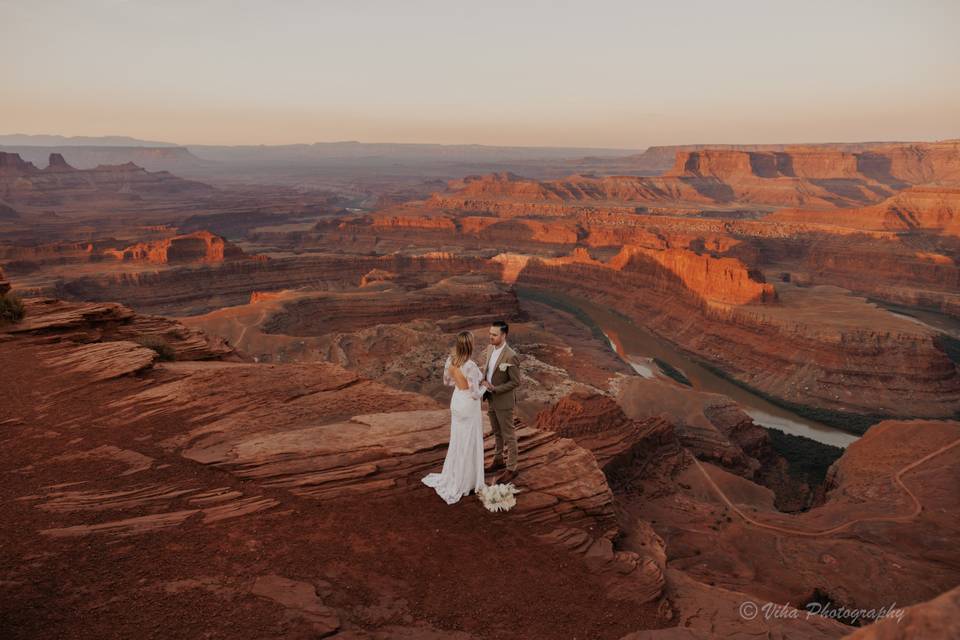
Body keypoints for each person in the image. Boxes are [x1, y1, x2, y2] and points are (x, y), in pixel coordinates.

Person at [421, 331, 486, 504]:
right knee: (469, 441)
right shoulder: (470, 365)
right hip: (468, 405)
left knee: (458, 440)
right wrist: (485, 387)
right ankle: (467, 481)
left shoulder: (450, 361)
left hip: (456, 402)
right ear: (470, 346)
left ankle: (455, 475)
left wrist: (459, 384)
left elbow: (446, 382)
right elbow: (475, 394)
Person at [481, 320, 521, 484]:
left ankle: (511, 468)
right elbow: (488, 370)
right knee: (497, 433)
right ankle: (498, 460)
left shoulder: (511, 356)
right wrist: (482, 381)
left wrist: (495, 389)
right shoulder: (491, 348)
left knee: (509, 436)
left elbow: (515, 382)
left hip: (503, 402)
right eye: (490, 334)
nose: (491, 337)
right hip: (490, 399)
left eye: (494, 335)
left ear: (504, 335)